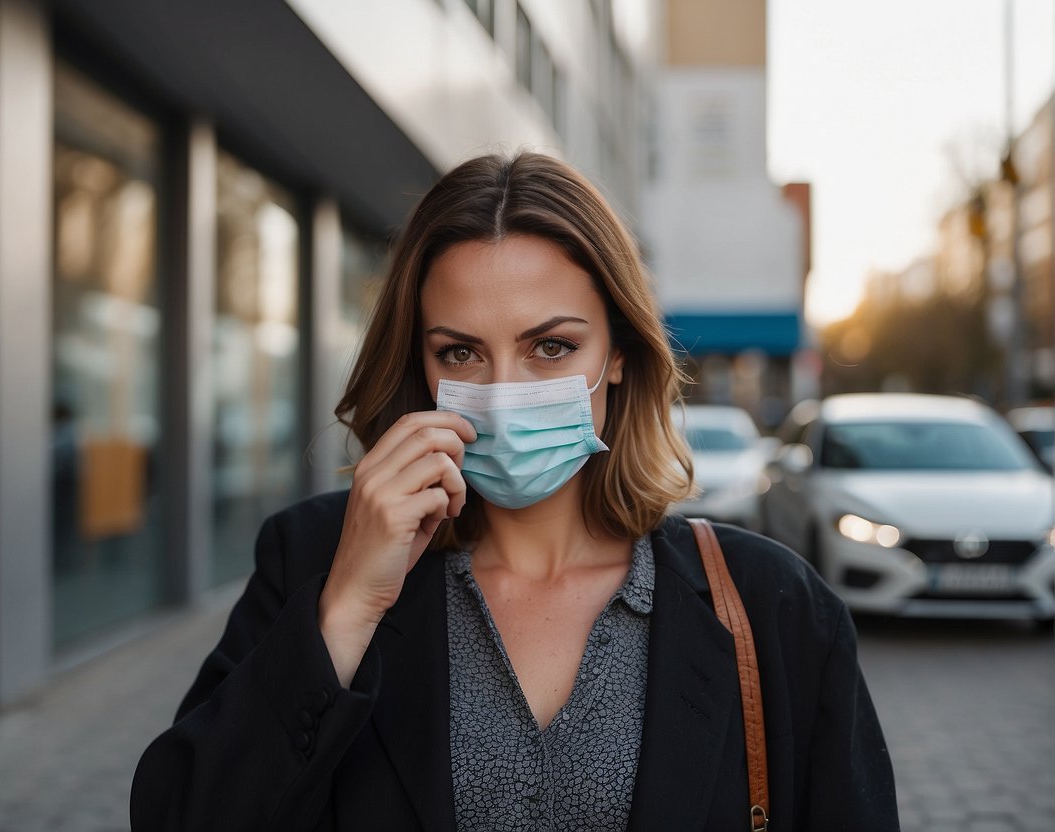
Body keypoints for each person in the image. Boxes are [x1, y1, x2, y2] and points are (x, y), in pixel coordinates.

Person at [130, 152, 899, 831]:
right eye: (460, 352)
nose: (502, 391)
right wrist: (345, 611)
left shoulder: (773, 607)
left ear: (621, 354)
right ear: (420, 366)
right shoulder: (311, 560)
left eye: (551, 347)